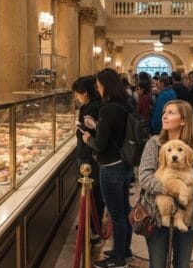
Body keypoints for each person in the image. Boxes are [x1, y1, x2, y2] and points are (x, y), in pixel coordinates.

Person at [139, 100, 193, 268]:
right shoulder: (154, 144)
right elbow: (145, 177)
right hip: (157, 216)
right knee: (158, 264)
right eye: (164, 112)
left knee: (182, 265)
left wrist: (185, 190)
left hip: (188, 215)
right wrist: (173, 189)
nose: (164, 116)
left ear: (183, 120)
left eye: (170, 112)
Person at [82, 68, 131, 268]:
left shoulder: (107, 109)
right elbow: (115, 134)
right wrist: (97, 127)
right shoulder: (124, 104)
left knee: (116, 213)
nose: (97, 88)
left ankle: (118, 258)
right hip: (124, 162)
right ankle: (124, 250)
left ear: (105, 86)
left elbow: (100, 145)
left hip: (110, 166)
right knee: (123, 210)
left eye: (99, 85)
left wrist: (87, 137)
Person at [72, 76, 103, 245]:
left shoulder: (92, 107)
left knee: (93, 192)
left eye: (77, 94)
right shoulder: (92, 105)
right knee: (92, 192)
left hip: (89, 156)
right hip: (88, 155)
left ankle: (93, 228)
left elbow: (89, 133)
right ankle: (90, 224)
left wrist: (78, 129)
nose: (76, 97)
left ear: (84, 93)